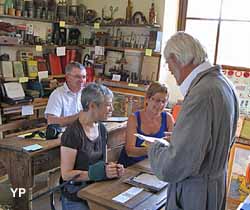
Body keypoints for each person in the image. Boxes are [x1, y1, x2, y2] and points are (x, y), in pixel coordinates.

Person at [148, 32, 239, 210]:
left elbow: (174, 166)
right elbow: (215, 140)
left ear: (175, 59)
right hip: (214, 186)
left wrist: (155, 148)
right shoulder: (224, 84)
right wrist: (181, 138)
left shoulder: (201, 94)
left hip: (195, 194)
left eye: (169, 66)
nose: (171, 73)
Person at [60, 83, 124, 210]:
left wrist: (112, 169)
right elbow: (66, 174)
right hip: (76, 194)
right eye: (108, 105)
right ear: (92, 106)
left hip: (95, 189)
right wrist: (96, 173)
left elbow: (102, 164)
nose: (111, 108)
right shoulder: (72, 133)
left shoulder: (101, 129)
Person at [118, 82, 175, 167]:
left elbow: (173, 146)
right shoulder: (134, 118)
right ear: (147, 99)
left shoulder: (168, 118)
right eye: (157, 100)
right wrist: (152, 149)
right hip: (130, 166)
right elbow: (130, 151)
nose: (160, 105)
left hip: (151, 165)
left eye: (164, 101)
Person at [44, 62, 86, 126]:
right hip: (65, 134)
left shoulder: (87, 92)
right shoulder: (57, 95)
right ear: (67, 77)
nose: (82, 80)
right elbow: (51, 121)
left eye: (84, 77)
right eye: (77, 77)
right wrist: (78, 117)